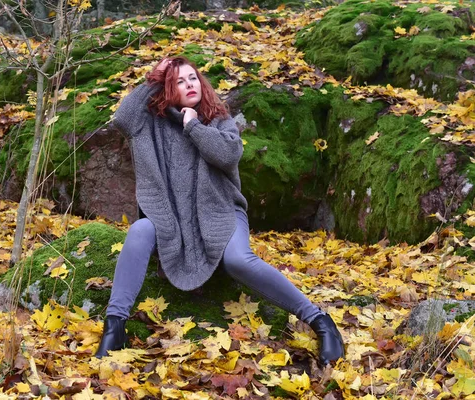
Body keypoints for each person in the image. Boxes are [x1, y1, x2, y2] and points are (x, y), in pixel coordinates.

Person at [95, 56, 344, 365]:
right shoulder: (148, 123)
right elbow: (122, 117)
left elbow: (227, 155)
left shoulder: (218, 119)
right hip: (171, 222)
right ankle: (114, 326)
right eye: (178, 81)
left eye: (193, 78)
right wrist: (153, 79)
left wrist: (193, 127)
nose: (189, 84)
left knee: (238, 259)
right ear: (166, 88)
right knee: (141, 229)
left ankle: (320, 321)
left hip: (221, 214)